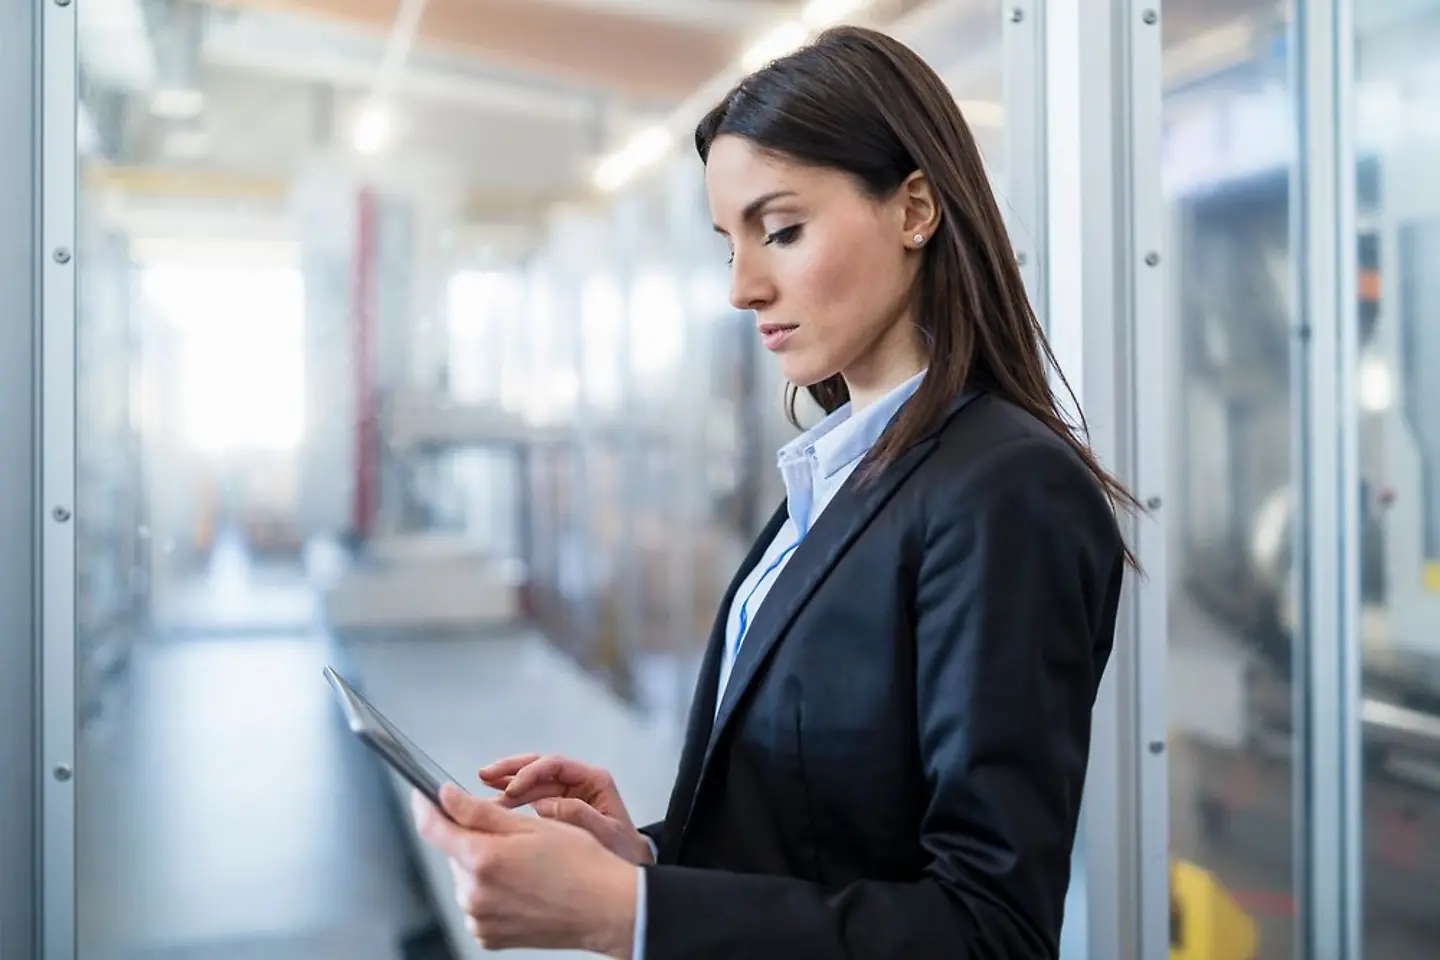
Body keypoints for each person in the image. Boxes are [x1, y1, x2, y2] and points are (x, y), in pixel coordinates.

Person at [411, 24, 1138, 959]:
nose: (743, 288)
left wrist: (628, 918)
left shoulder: (1005, 491)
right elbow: (827, 840)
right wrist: (641, 862)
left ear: (916, 208)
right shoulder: (840, 474)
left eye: (782, 230)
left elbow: (990, 930)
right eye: (730, 243)